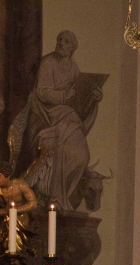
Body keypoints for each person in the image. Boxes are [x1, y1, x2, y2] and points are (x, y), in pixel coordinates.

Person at [24, 30, 103, 211]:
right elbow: (41, 92)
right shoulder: (48, 62)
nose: (61, 43)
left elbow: (80, 98)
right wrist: (63, 96)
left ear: (72, 48)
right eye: (59, 39)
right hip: (47, 115)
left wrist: (95, 98)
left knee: (82, 155)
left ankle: (64, 195)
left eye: (66, 41)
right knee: (60, 151)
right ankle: (55, 198)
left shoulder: (74, 68)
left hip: (69, 117)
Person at [0, 161, 37, 257]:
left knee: (19, 250)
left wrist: (15, 211)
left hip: (21, 220)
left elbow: (33, 203)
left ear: (8, 176)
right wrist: (6, 211)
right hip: (3, 220)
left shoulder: (20, 185)